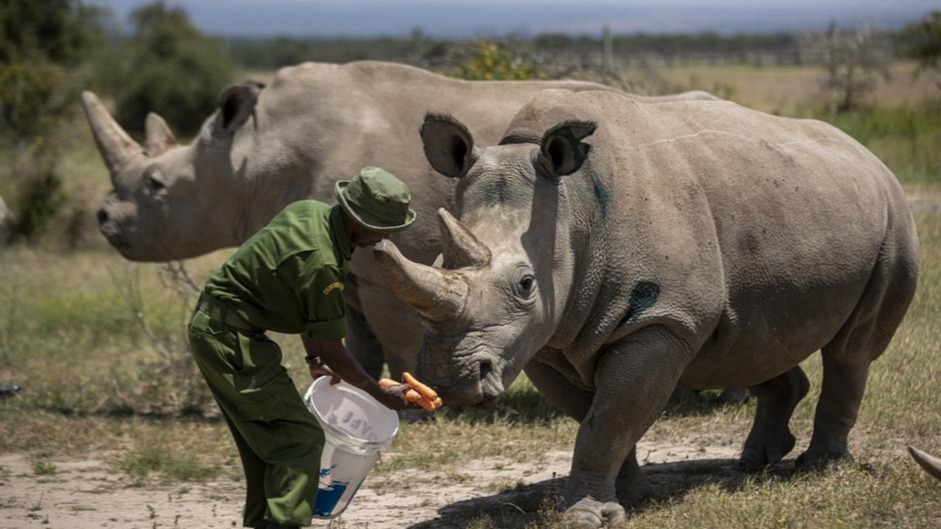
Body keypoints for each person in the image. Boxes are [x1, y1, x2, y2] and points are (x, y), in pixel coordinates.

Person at [187, 167, 416, 529]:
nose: (386, 237)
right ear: (360, 220)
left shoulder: (309, 212)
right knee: (300, 441)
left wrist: (314, 359)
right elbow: (334, 349)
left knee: (268, 443)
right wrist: (378, 393)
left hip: (221, 329)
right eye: (383, 227)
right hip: (230, 340)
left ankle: (267, 521)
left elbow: (306, 312)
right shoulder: (322, 263)